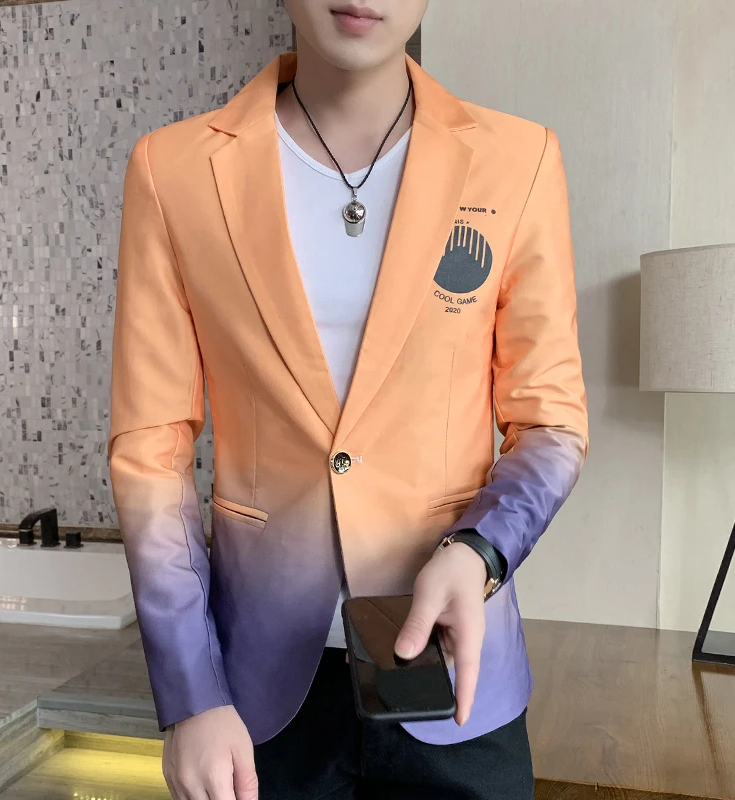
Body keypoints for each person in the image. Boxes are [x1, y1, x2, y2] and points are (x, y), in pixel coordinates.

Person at [107, 1, 588, 798]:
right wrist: (190, 693)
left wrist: (480, 550)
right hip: (259, 692)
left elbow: (551, 423)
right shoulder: (172, 170)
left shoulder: (519, 160)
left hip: (455, 674)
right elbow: (150, 454)